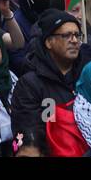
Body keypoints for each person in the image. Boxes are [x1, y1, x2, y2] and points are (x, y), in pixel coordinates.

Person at [10, 9, 82, 151]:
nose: (74, 40)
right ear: (49, 42)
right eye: (66, 35)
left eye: (77, 35)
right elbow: (27, 133)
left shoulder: (87, 76)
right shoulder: (30, 85)